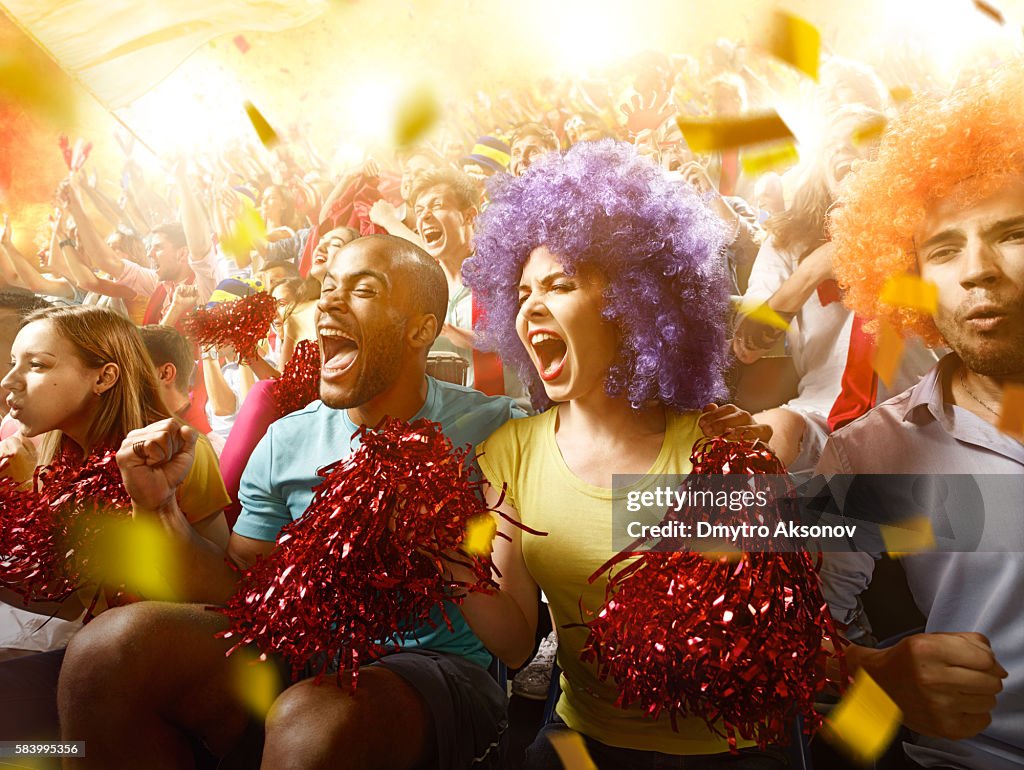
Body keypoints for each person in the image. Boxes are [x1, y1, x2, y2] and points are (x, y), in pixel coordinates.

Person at [58, 234, 525, 770]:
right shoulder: (285, 440)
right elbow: (242, 589)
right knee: (106, 649)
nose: (328, 301)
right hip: (301, 652)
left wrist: (444, 546)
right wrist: (159, 508)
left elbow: (515, 646)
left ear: (421, 328)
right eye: (328, 288)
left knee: (312, 720)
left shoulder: (497, 429)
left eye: (363, 289)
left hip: (435, 669)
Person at [463, 140, 780, 768]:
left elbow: (772, 626)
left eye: (559, 284)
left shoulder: (718, 445)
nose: (532, 307)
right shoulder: (507, 454)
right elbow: (515, 639)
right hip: (585, 741)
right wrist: (452, 553)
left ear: (634, 305)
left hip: (732, 747)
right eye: (523, 291)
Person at [819, 63, 1023, 770]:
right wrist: (877, 679)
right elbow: (797, 649)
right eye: (943, 249)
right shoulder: (874, 454)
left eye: (1013, 233)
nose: (977, 270)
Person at [0, 305, 229, 738]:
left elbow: (221, 598)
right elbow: (52, 592)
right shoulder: (46, 455)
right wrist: (17, 497)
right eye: (13, 364)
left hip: (135, 668)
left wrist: (156, 509)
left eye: (35, 365)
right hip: (60, 644)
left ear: (103, 377)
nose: (9, 382)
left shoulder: (173, 451)